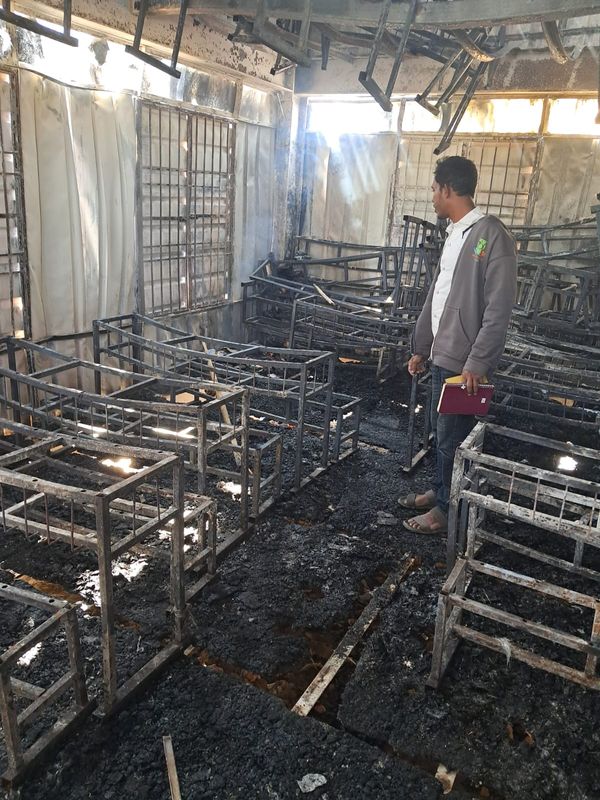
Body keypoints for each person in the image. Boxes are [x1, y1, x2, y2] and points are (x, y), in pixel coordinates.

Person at [399, 156, 517, 534]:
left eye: (434, 189)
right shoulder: (455, 234)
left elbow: (499, 309)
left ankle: (447, 513)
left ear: (448, 189)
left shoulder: (492, 236)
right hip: (443, 353)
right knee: (440, 428)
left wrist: (478, 362)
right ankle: (440, 492)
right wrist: (421, 345)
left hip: (465, 362)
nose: (432, 196)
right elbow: (438, 295)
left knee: (453, 435)